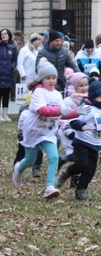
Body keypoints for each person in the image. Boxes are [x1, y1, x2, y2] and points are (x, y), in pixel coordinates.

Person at [12, 59, 90, 198]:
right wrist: (61, 110)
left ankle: (49, 187)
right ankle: (19, 168)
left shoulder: (57, 94)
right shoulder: (38, 92)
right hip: (33, 130)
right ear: (42, 79)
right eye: (48, 78)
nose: (52, 81)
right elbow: (42, 110)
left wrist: (76, 112)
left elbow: (63, 114)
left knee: (54, 157)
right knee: (30, 160)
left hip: (48, 132)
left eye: (54, 77)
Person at [55, 80, 101, 201]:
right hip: (82, 142)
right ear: (93, 97)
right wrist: (81, 126)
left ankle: (81, 190)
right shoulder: (87, 108)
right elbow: (73, 121)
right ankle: (67, 173)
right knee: (82, 163)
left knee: (90, 170)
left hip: (95, 145)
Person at [0, 28, 18, 122]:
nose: (3, 35)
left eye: (5, 34)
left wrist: (12, 66)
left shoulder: (13, 48)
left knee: (6, 94)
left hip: (8, 74)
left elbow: (15, 59)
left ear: (9, 35)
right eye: (2, 34)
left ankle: (5, 114)